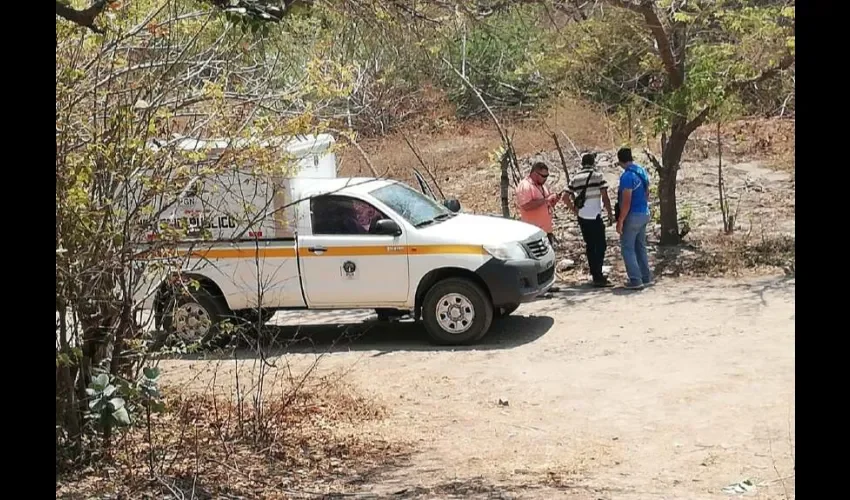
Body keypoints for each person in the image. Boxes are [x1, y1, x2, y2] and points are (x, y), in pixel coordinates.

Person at [563, 153, 614, 287]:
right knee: (601, 245)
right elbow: (605, 196)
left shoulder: (575, 178)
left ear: (582, 163)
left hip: (583, 216)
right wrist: (610, 213)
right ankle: (598, 275)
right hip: (596, 215)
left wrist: (575, 211)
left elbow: (565, 197)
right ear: (593, 163)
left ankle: (595, 274)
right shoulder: (598, 176)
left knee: (590, 245)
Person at [615, 147, 654, 289]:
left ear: (620, 161)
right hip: (644, 213)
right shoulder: (641, 171)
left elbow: (626, 202)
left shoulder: (627, 177)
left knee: (627, 248)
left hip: (632, 216)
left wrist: (620, 220)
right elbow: (647, 192)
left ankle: (635, 280)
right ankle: (646, 277)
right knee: (640, 247)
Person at [515, 161, 559, 246]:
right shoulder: (525, 185)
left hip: (546, 231)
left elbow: (546, 204)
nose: (545, 178)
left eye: (547, 176)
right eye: (543, 176)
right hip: (533, 233)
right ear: (534, 174)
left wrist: (553, 201)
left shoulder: (542, 186)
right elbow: (526, 206)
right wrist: (546, 200)